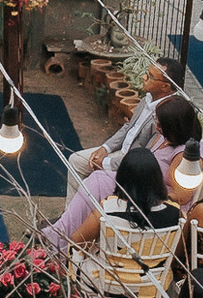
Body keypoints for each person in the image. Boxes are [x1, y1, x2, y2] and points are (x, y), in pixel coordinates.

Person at [46, 94, 203, 246]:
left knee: (96, 188)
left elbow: (182, 196)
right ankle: (62, 230)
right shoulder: (166, 137)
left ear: (175, 127)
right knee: (96, 180)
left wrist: (145, 193)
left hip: (152, 202)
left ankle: (62, 238)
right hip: (138, 187)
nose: (157, 127)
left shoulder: (185, 156)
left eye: (161, 124)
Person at [64, 56, 187, 200]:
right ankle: (71, 211)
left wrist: (105, 163)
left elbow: (143, 157)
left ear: (165, 86)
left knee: (90, 181)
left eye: (150, 76)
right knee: (75, 160)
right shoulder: (149, 98)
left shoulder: (166, 115)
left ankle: (83, 211)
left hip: (131, 165)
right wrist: (105, 148)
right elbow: (129, 126)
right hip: (120, 151)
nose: (144, 77)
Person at [59, 147, 182, 251]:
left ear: (122, 177)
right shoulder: (174, 212)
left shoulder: (107, 209)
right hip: (153, 272)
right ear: (157, 179)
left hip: (109, 271)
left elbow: (76, 243)